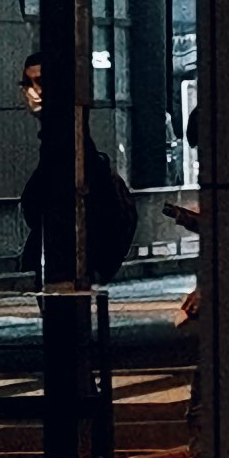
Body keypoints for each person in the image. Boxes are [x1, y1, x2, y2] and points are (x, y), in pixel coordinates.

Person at [20, 50, 139, 289]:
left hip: (69, 262)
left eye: (41, 82)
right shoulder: (62, 139)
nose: (34, 92)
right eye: (27, 84)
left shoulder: (67, 141)